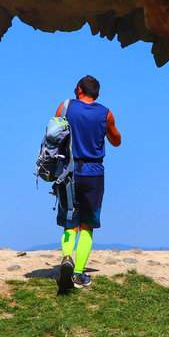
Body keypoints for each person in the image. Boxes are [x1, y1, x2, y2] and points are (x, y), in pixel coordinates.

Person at [56, 75, 122, 291]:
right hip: (94, 172)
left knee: (70, 221)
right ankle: (78, 273)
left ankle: (67, 257)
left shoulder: (65, 107)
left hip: (69, 170)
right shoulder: (106, 113)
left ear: (78, 89)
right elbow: (117, 141)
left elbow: (53, 135)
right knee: (87, 225)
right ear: (98, 94)